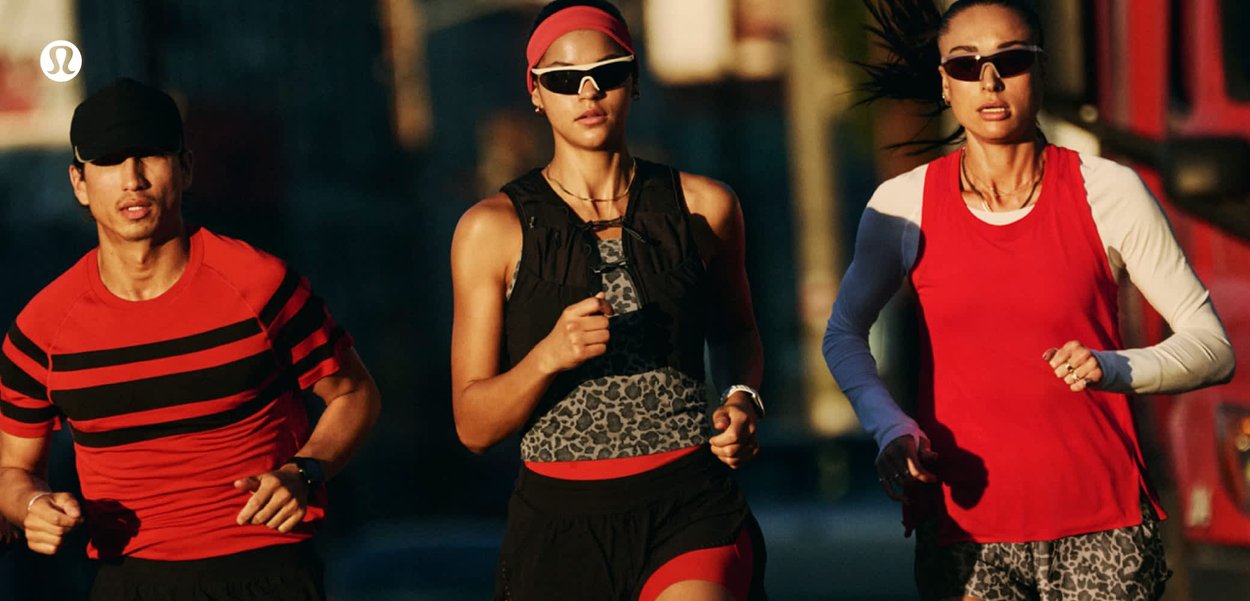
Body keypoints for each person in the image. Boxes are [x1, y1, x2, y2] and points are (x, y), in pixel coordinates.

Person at [822, 1, 1237, 600]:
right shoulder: (902, 206)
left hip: (1105, 528)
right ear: (944, 83)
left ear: (1043, 74)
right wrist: (891, 428)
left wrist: (1114, 366)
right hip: (966, 529)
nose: (989, 82)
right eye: (966, 66)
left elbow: (1212, 348)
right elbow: (842, 335)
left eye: (1010, 61)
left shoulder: (1108, 190)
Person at [0, 77, 381, 601]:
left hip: (267, 572)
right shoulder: (41, 328)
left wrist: (304, 471)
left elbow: (356, 394)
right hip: (128, 579)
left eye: (150, 156)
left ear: (185, 168)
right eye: (109, 162)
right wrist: (31, 508)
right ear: (79, 183)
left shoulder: (260, 284)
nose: (132, 180)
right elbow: (14, 471)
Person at [450, 1, 769, 599]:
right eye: (566, 80)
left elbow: (739, 335)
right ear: (537, 92)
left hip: (689, 505)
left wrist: (743, 401)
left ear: (636, 79)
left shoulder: (706, 206)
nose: (589, 91)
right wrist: (547, 356)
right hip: (560, 522)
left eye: (610, 71)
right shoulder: (489, 229)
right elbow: (472, 426)